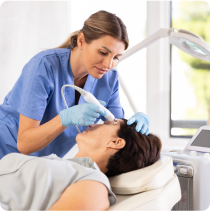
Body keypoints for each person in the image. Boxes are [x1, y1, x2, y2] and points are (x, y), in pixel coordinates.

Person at [0, 10, 150, 159]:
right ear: (81, 41)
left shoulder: (109, 79)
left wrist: (133, 127)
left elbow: (115, 126)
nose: (108, 64)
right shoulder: (44, 66)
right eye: (103, 53)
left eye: (116, 57)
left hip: (39, 165)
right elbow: (24, 144)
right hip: (6, 152)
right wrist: (65, 118)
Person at [0, 119, 161, 211]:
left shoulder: (93, 184)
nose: (92, 123)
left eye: (107, 122)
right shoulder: (61, 164)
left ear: (115, 142)